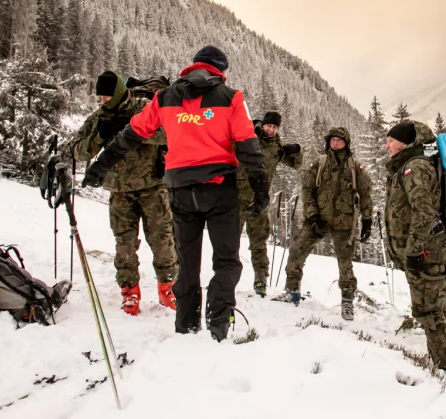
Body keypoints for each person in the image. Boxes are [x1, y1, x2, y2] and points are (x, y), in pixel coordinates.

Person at [83, 45, 269, 342]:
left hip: (180, 189)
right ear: (220, 69)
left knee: (187, 261)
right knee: (226, 260)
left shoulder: (164, 97)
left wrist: (99, 166)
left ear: (194, 66)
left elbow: (130, 135)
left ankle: (186, 326)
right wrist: (261, 190)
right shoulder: (230, 98)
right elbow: (249, 147)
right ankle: (219, 323)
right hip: (219, 189)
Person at [65, 70, 177, 316]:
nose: (103, 102)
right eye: (100, 98)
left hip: (152, 185)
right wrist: (101, 135)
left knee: (162, 240)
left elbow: (171, 132)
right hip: (119, 191)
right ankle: (130, 291)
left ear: (117, 93)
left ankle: (168, 287)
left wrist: (132, 130)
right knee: (124, 244)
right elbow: (77, 150)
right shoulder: (99, 117)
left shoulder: (144, 107)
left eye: (107, 97)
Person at [273, 126, 373, 321]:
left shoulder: (356, 168)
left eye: (339, 140)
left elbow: (366, 195)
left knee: (345, 264)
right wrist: (312, 216)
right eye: (332, 140)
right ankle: (292, 291)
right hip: (318, 220)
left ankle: (347, 301)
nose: (335, 143)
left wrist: (367, 220)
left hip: (345, 224)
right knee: (296, 251)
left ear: (346, 143)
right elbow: (307, 190)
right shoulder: (319, 163)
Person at [384, 120, 446, 374]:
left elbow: (423, 213)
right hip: (426, 250)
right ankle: (442, 361)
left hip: (425, 252)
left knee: (429, 311)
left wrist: (413, 252)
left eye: (391, 140)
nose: (387, 145)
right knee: (430, 308)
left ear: (405, 143)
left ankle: (445, 367)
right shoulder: (412, 166)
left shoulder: (414, 168)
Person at [236, 111, 303, 297]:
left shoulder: (277, 148)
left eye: (275, 127)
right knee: (229, 244)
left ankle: (261, 280)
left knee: (259, 243)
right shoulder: (247, 137)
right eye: (269, 126)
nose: (271, 130)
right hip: (238, 199)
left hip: (261, 202)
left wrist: (296, 151)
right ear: (263, 125)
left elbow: (297, 165)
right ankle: (225, 279)